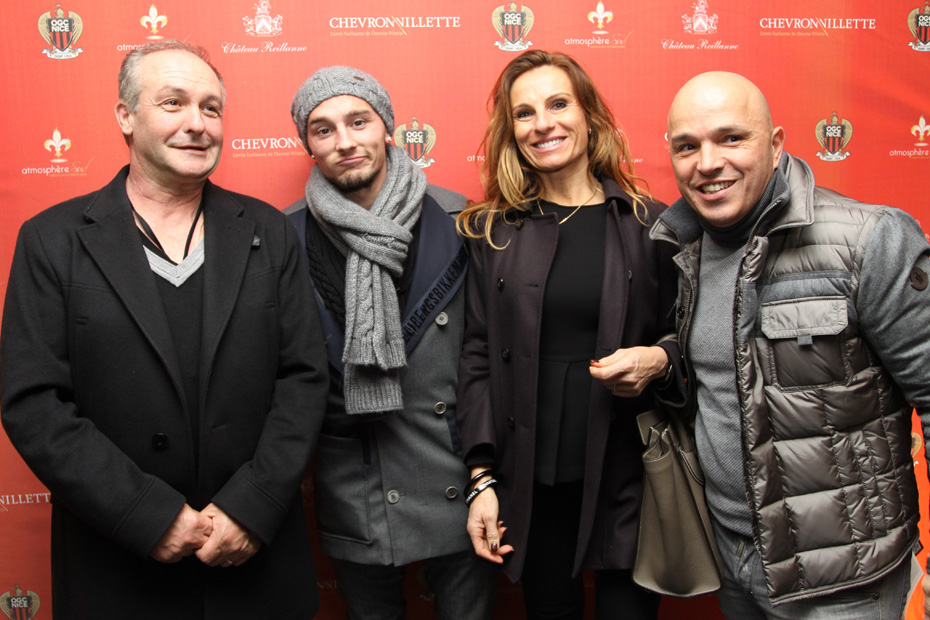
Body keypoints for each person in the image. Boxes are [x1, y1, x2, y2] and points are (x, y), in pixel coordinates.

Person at [0, 40, 329, 619]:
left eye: (211, 108)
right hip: (117, 563)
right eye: (173, 103)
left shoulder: (269, 231)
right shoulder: (52, 240)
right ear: (126, 116)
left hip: (252, 559)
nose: (197, 124)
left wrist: (252, 505)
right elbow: (34, 403)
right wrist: (145, 514)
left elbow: (303, 378)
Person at [652, 70, 930, 619]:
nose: (707, 162)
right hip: (732, 558)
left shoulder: (868, 240)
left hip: (845, 579)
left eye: (731, 138)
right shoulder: (681, 250)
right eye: (687, 146)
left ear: (776, 144)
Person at [455, 50, 686, 620]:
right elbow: (477, 358)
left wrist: (657, 359)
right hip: (533, 481)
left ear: (589, 116)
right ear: (511, 132)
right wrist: (481, 477)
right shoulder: (492, 232)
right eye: (525, 113)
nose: (543, 124)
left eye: (558, 104)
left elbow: (689, 338)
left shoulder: (651, 224)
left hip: (628, 475)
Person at [285, 66, 496, 620]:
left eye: (359, 121)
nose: (344, 141)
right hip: (355, 478)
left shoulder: (458, 218)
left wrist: (485, 471)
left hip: (454, 471)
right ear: (308, 144)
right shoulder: (286, 236)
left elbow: (485, 358)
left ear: (388, 127)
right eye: (323, 129)